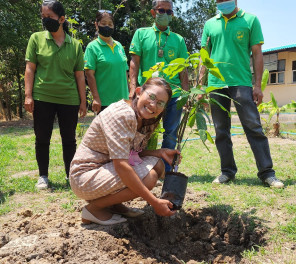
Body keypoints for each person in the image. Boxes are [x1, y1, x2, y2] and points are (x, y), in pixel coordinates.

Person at [69, 77, 180, 225]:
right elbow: (121, 165)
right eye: (151, 97)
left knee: (157, 164)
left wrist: (159, 152)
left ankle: (113, 205)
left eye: (160, 103)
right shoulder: (122, 114)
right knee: (150, 176)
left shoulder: (144, 119)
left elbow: (128, 153)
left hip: (104, 170)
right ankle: (93, 209)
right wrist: (154, 202)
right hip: (85, 177)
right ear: (139, 92)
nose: (153, 105)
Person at [200, 0, 284, 188]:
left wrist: (257, 86)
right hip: (215, 84)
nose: (222, 2)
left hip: (241, 83)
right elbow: (204, 56)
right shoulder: (210, 24)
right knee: (221, 130)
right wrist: (200, 86)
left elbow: (257, 53)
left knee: (253, 127)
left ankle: (267, 173)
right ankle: (227, 172)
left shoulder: (250, 20)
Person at [24, 0, 87, 190]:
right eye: (43, 17)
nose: (45, 20)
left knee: (69, 139)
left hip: (69, 99)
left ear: (61, 19)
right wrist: (28, 95)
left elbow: (79, 76)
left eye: (49, 17)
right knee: (42, 138)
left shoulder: (75, 45)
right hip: (43, 97)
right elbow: (30, 69)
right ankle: (43, 176)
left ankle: (70, 175)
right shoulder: (36, 39)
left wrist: (83, 102)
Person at [129, 0, 189, 172]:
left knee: (170, 133)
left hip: (174, 94)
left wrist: (185, 94)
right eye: (161, 10)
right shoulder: (141, 34)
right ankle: (143, 167)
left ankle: (167, 170)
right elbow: (134, 63)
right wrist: (133, 89)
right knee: (144, 132)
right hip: (149, 95)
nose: (165, 14)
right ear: (153, 12)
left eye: (169, 12)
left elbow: (183, 69)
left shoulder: (178, 39)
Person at [84, 10, 129, 113]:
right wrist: (96, 98)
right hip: (104, 102)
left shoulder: (119, 46)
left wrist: (129, 95)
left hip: (123, 102)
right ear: (96, 25)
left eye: (110, 24)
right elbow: (89, 75)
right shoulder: (92, 47)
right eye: (103, 24)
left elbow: (125, 72)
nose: (107, 27)